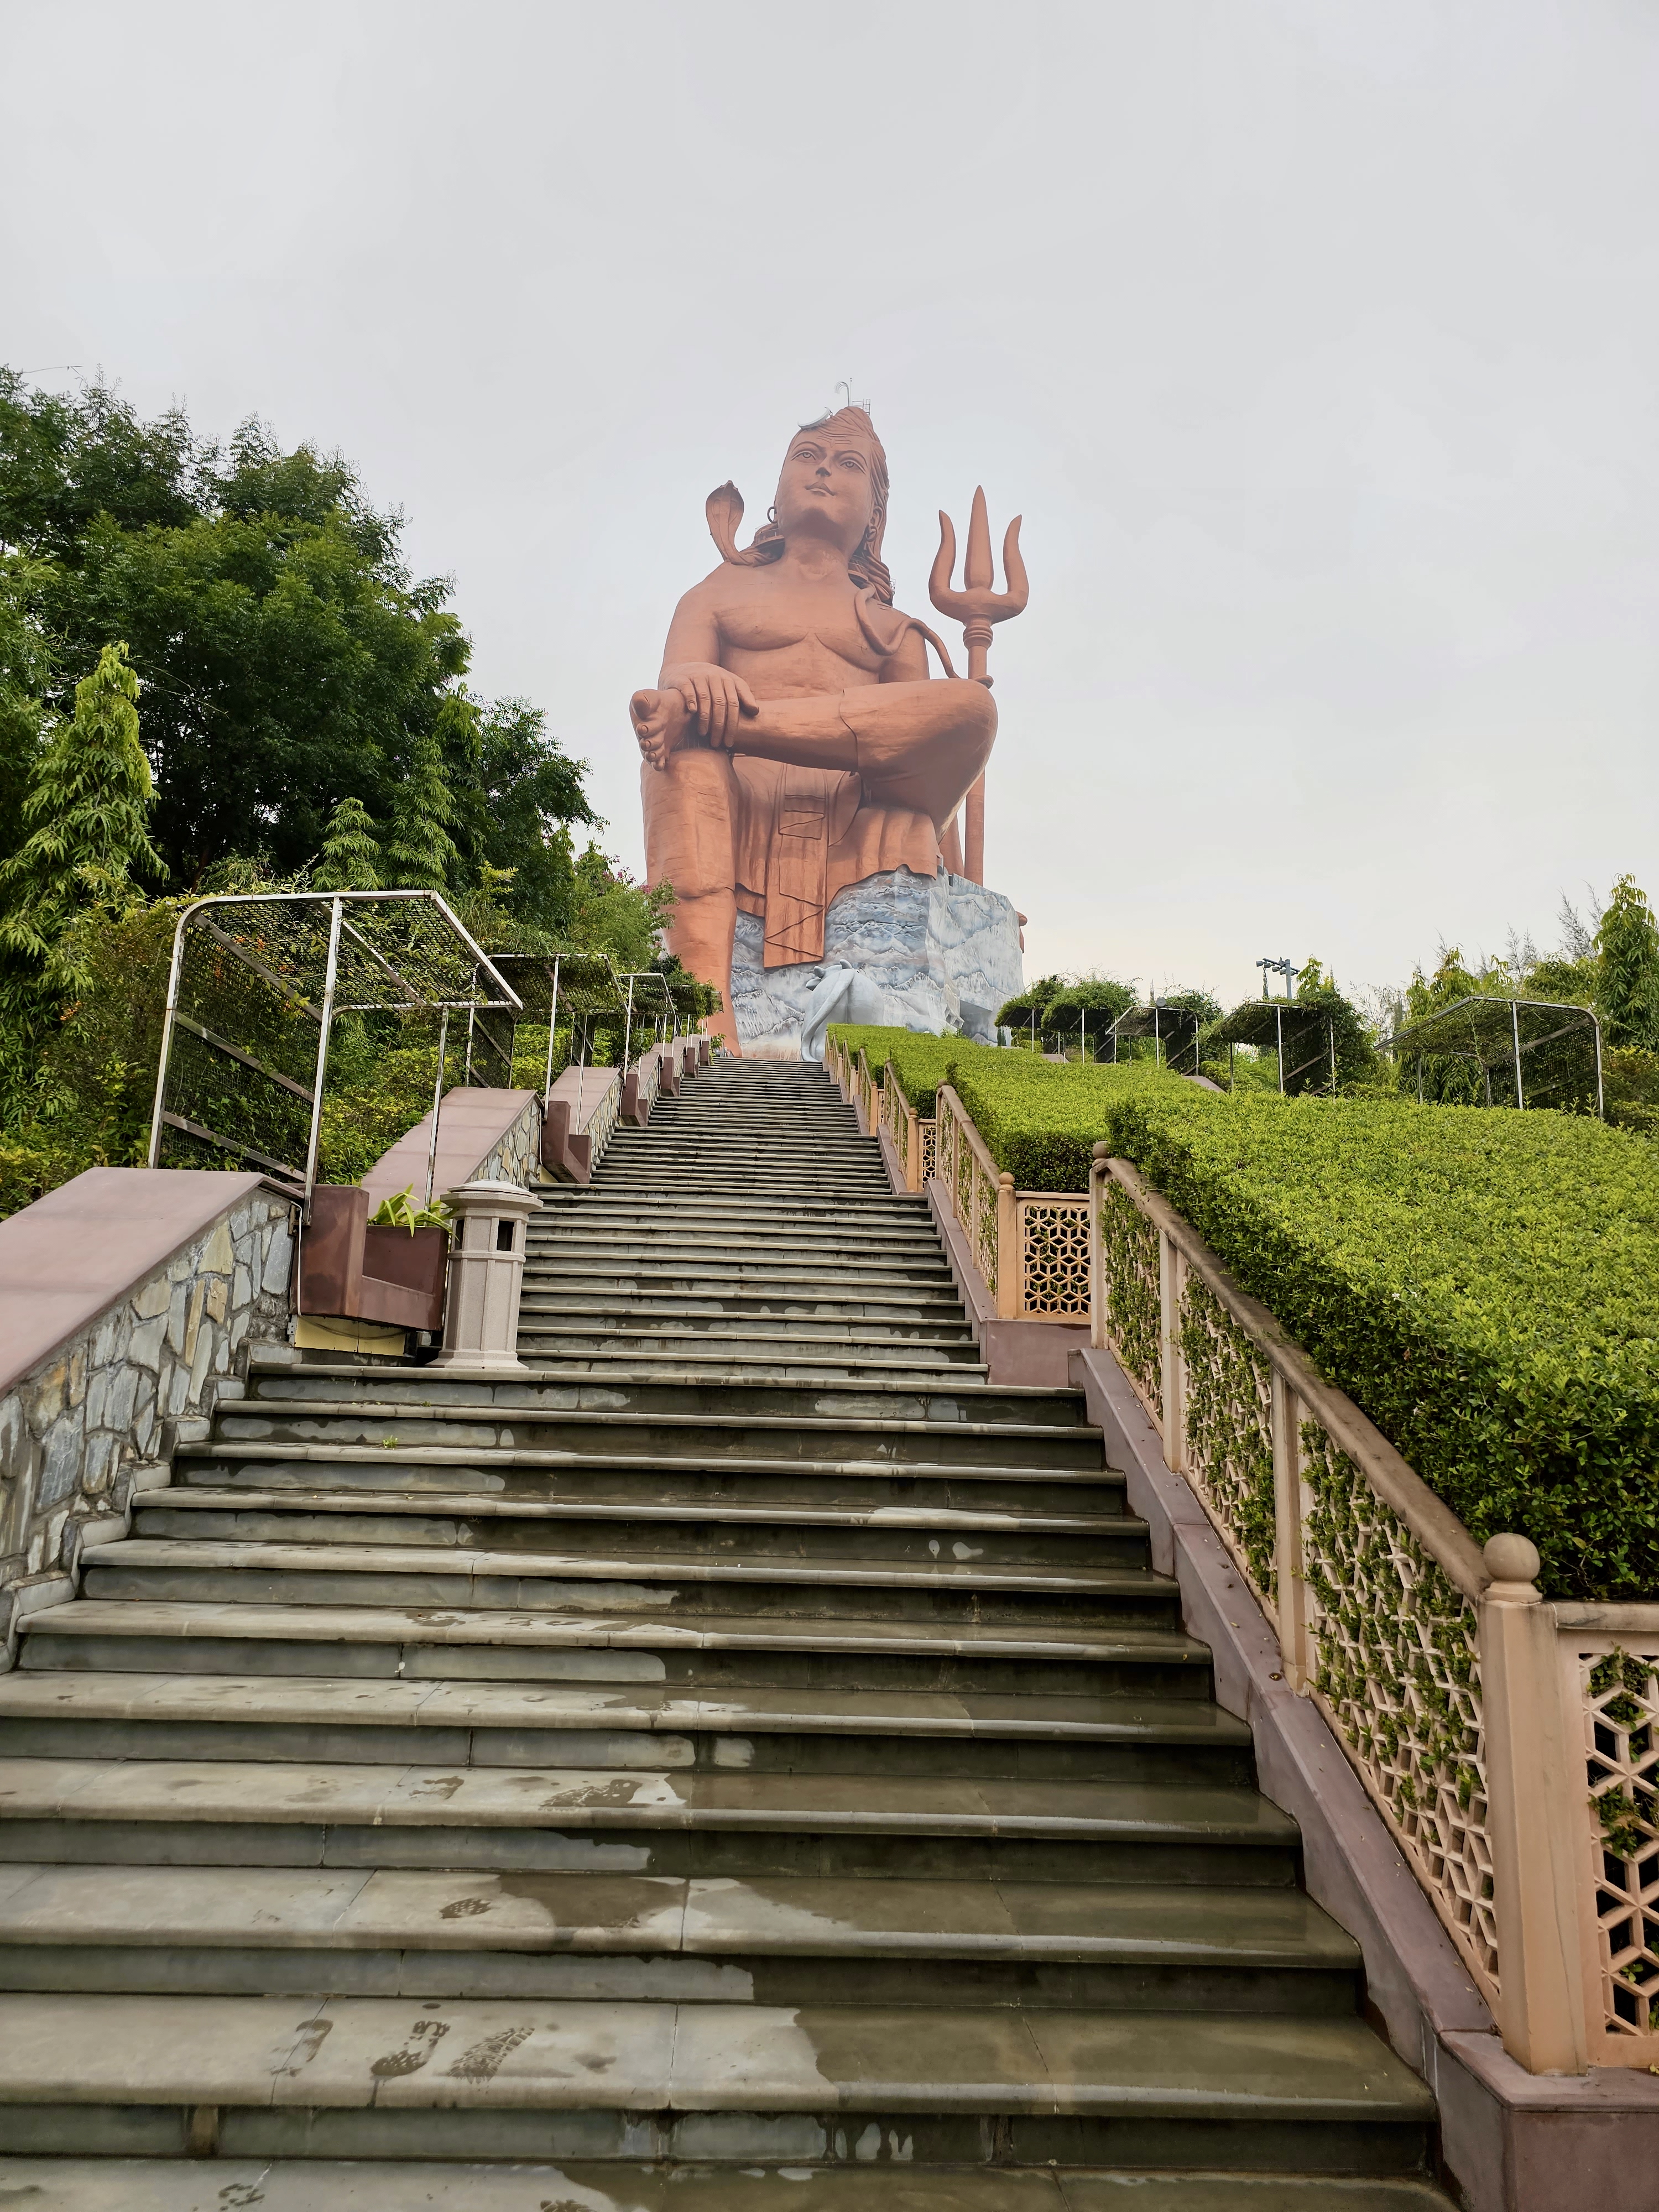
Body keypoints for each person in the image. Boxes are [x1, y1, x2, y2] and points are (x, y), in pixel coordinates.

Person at [632, 406, 995, 1052]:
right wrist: (692, 682)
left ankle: (746, 727)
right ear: (775, 491)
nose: (824, 468)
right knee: (684, 761)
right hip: (736, 806)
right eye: (807, 455)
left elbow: (917, 759)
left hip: (849, 816)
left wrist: (968, 888)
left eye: (848, 464)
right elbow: (669, 693)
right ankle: (709, 1025)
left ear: (875, 515)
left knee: (971, 709)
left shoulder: (892, 628)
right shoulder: (715, 593)